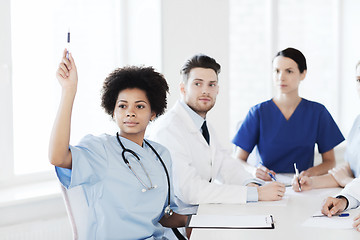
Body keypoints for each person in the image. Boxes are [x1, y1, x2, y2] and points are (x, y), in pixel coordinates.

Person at [49, 49, 188, 240]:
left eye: (139, 106)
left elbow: (165, 215)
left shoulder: (161, 154)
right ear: (113, 111)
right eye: (122, 106)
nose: (130, 112)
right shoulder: (100, 149)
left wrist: (202, 221)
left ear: (153, 113)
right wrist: (68, 91)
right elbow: (57, 157)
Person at [147, 53, 285, 239]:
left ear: (218, 90)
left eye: (211, 85)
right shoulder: (169, 129)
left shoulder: (204, 125)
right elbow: (190, 191)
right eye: (197, 83)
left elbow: (225, 164)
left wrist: (249, 182)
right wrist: (255, 193)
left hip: (201, 216)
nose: (205, 90)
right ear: (182, 88)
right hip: (177, 227)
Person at [232, 47, 345, 181]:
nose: (281, 77)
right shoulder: (258, 113)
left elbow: (330, 162)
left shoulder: (318, 113)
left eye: (289, 71)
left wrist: (311, 173)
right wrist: (253, 171)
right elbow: (238, 160)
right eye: (276, 71)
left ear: (303, 74)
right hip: (266, 186)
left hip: (303, 185)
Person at [292, 60, 360, 192]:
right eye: (359, 80)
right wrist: (311, 182)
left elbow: (346, 179)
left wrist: (346, 181)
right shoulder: (358, 122)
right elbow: (349, 169)